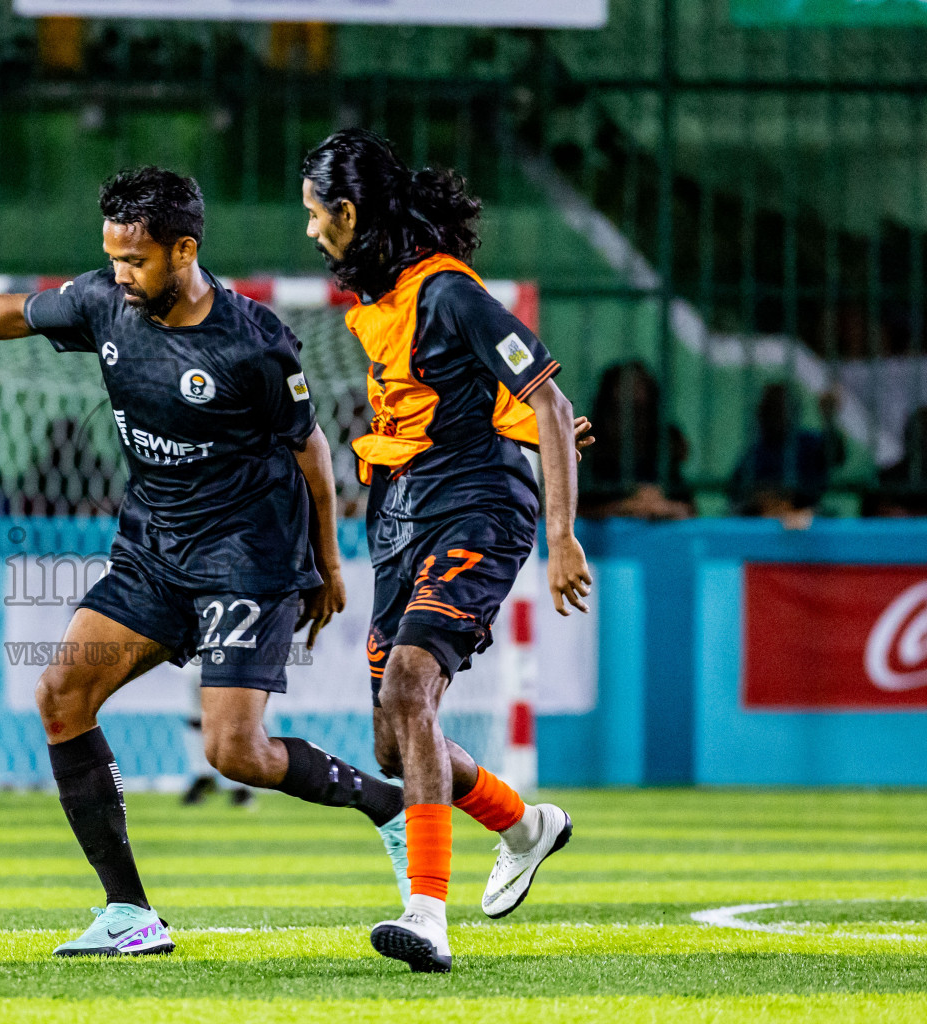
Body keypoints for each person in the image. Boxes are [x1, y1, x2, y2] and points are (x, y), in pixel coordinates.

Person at [0, 166, 409, 959]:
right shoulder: (103, 301)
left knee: (234, 752)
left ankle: (388, 808)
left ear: (184, 250)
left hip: (246, 558)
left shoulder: (253, 342)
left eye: (136, 261)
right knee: (61, 693)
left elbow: (312, 448)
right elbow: (9, 313)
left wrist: (329, 565)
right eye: (113, 258)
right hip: (153, 552)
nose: (119, 277)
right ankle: (129, 913)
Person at [301, 129, 592, 973]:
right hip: (401, 518)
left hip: (480, 508)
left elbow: (547, 399)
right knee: (395, 739)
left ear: (351, 214)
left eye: (318, 216)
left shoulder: (450, 294)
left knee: (408, 687)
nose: (312, 232)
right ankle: (525, 825)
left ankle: (425, 913)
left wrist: (562, 537)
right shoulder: (378, 302)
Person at [580, 361, 693, 520]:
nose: (630, 424)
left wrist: (668, 508)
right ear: (604, 414)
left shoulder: (663, 454)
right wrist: (628, 507)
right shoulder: (587, 456)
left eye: (639, 411)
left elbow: (690, 511)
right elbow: (566, 514)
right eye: (620, 411)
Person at [727, 382, 840, 529]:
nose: (775, 416)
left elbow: (836, 456)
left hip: (806, 524)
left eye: (779, 409)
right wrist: (767, 500)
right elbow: (736, 492)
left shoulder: (808, 443)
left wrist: (828, 419)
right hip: (764, 527)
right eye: (770, 408)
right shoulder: (753, 453)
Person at [867, 406, 927, 517]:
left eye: (923, 434)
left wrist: (909, 514)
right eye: (914, 432)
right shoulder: (887, 478)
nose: (918, 440)